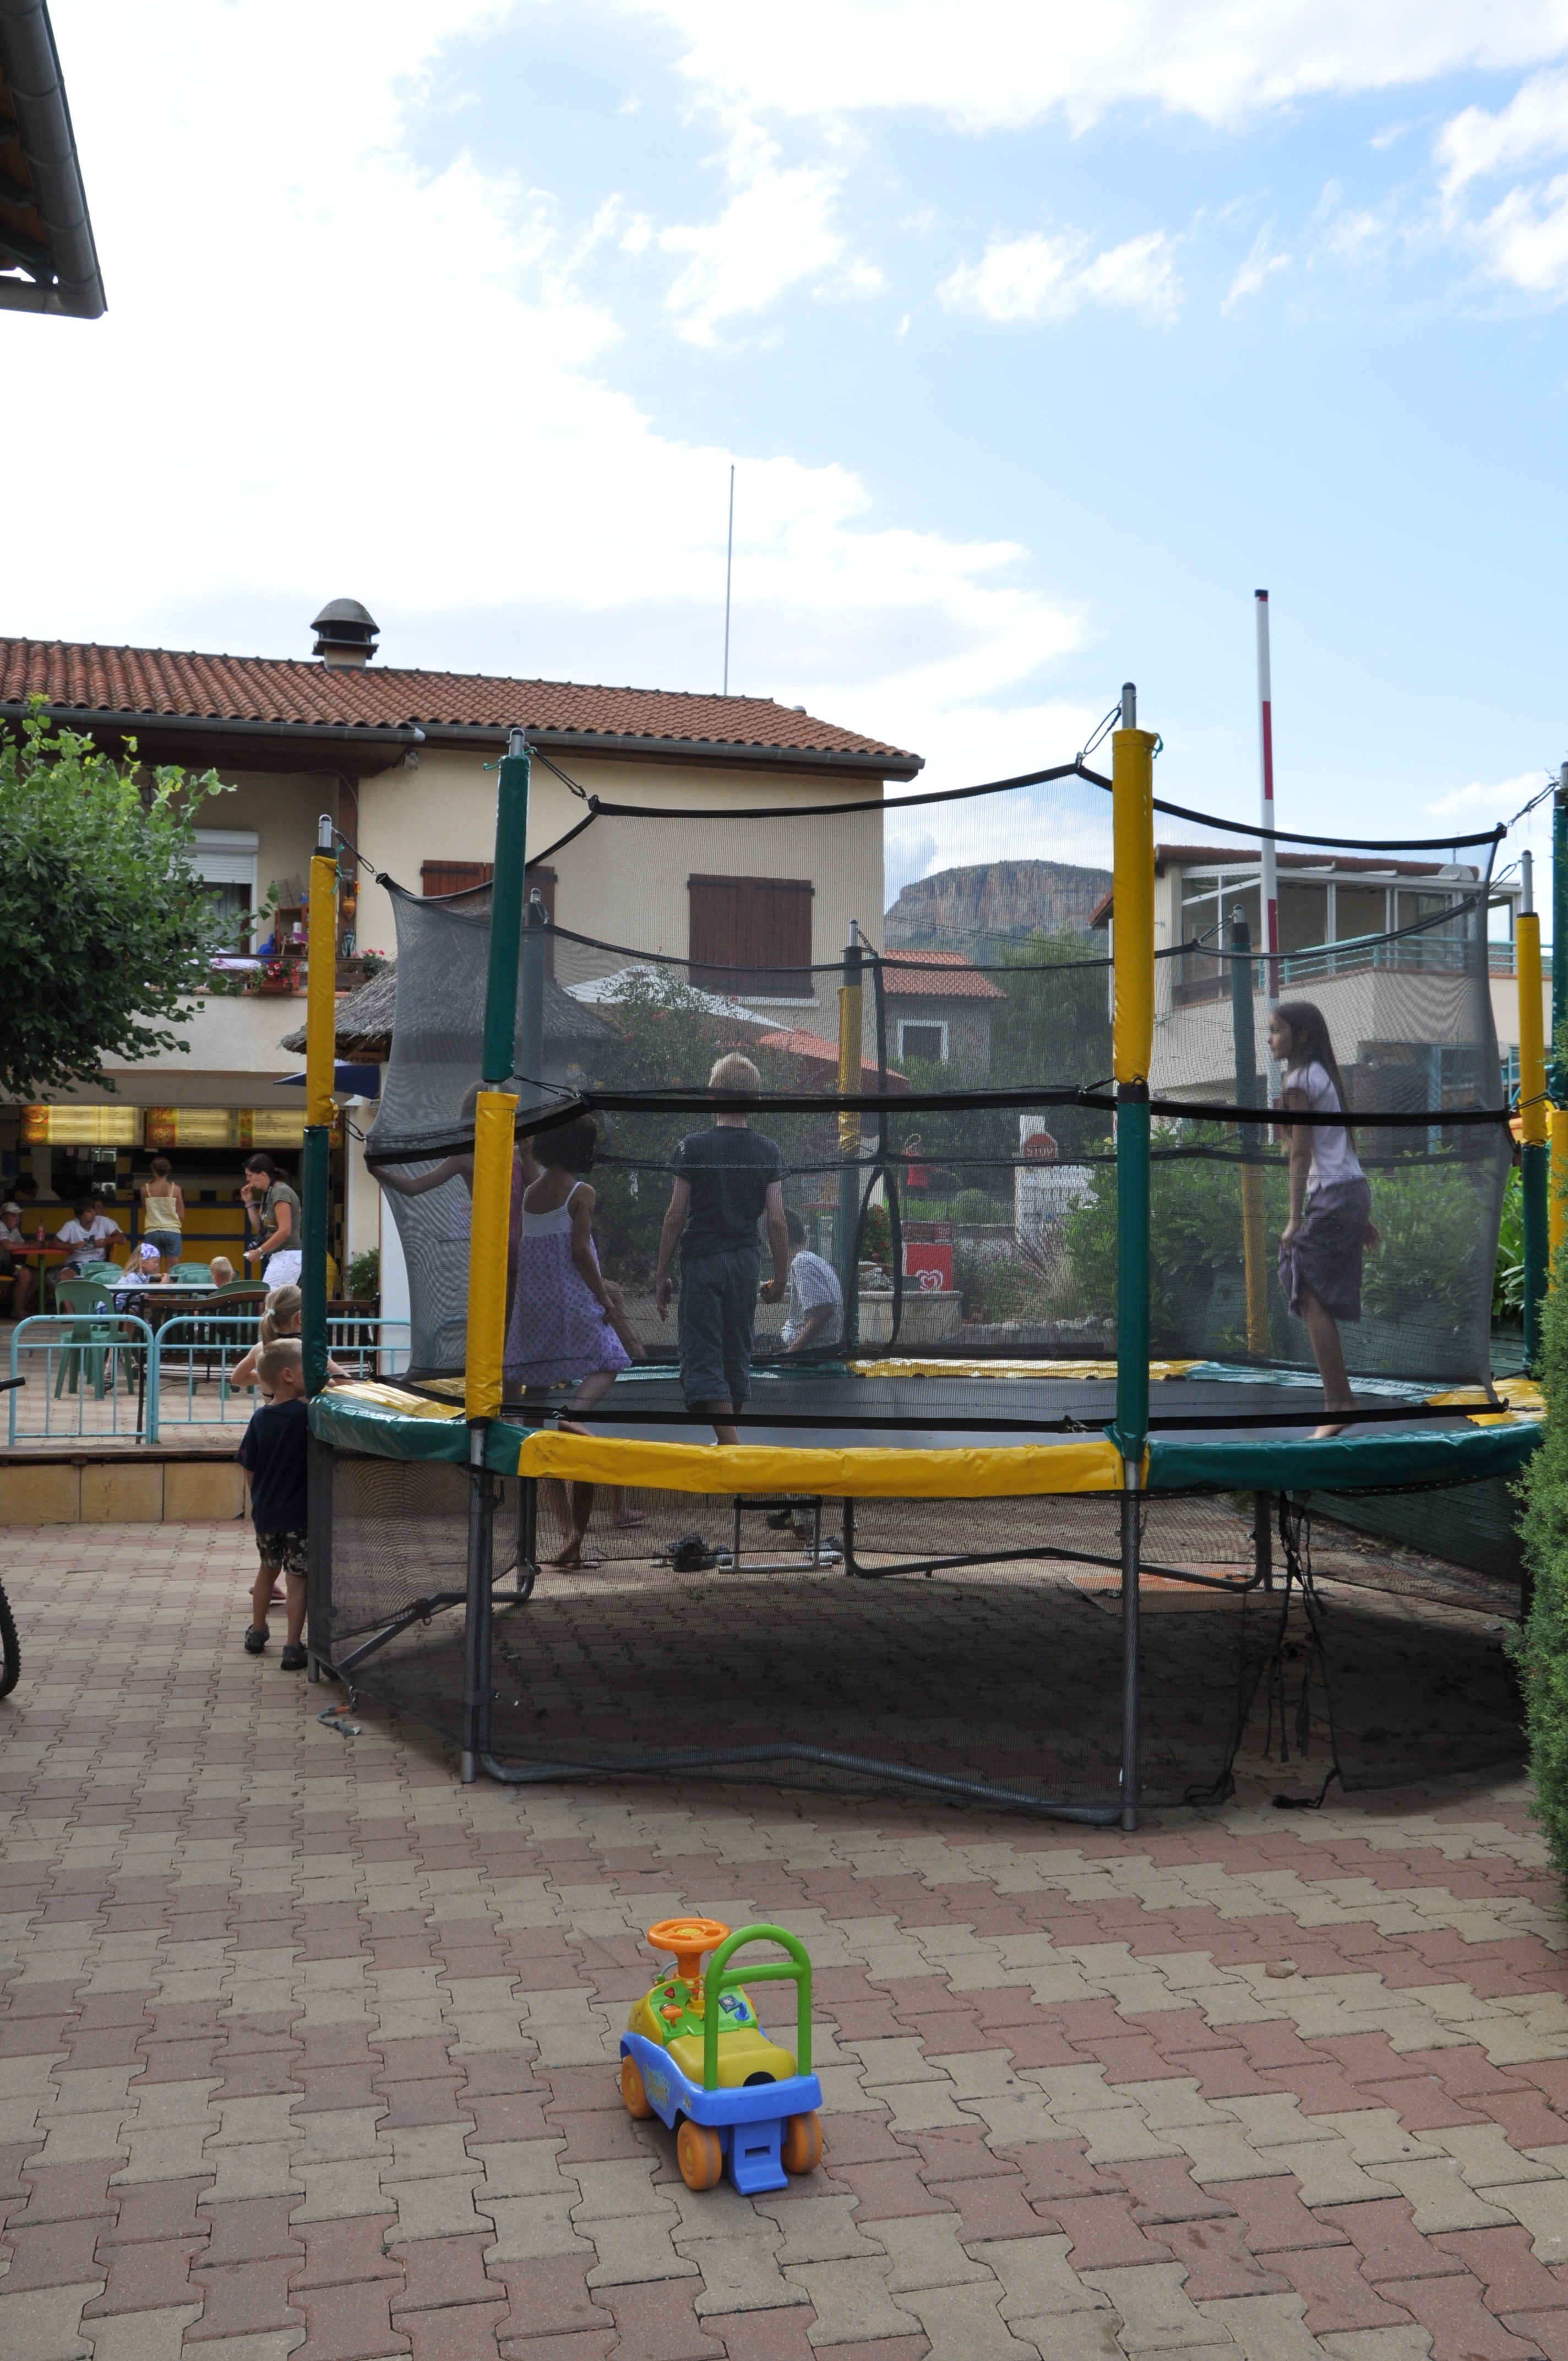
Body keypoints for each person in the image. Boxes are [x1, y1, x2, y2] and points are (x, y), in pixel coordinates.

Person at [507, 1115, 639, 1568]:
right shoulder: (581, 1193)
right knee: (609, 1358)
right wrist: (604, 1297)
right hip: (570, 1301)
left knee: (533, 1419)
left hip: (534, 1309)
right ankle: (574, 1417)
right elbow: (581, 1251)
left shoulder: (529, 1194)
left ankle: (568, 1532)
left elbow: (527, 1248)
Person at [656, 1053, 790, 1444]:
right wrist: (780, 1278)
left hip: (703, 1260)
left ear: (712, 1097)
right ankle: (730, 1440)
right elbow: (777, 1220)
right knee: (736, 1351)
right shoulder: (768, 1150)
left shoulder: (692, 1147)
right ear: (757, 1101)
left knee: (702, 1352)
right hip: (746, 1262)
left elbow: (674, 1216)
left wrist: (661, 1271)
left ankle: (732, 1446)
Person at [1269, 1000, 1379, 1439]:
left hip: (1336, 1196)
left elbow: (1303, 1151)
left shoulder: (1299, 1079)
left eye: (1276, 1030)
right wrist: (1360, 1217)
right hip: (1349, 1193)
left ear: (1300, 1035)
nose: (1270, 1039)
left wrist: (1295, 1218)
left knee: (1306, 1283)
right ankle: (1340, 1399)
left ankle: (1339, 1401)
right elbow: (1341, 1149)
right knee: (1301, 1278)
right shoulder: (1323, 1075)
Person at [236, 1337, 310, 1668]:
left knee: (268, 1569)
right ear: (288, 1375)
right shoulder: (307, 1417)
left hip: (266, 1512)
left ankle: (258, 1630)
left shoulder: (260, 1419)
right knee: (297, 1579)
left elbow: (248, 1466)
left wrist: (258, 1500)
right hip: (299, 1515)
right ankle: (293, 1646)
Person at [777, 1209, 844, 1355]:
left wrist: (791, 1353)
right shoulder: (814, 1260)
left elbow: (823, 1311)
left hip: (810, 1351)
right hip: (816, 1347)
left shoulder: (802, 1263)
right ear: (805, 1238)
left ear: (773, 1245)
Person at [241, 1153, 302, 1287]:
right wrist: (249, 1202)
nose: (248, 1180)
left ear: (263, 1174)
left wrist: (260, 1251)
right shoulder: (268, 1192)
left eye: (250, 1175)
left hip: (288, 1255)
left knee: (270, 1300)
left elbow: (285, 1231)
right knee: (273, 1301)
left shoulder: (280, 1192)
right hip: (279, 1256)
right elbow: (261, 1228)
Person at [52, 1195, 124, 1300]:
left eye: (93, 1210)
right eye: (89, 1212)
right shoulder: (71, 1226)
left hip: (98, 1263)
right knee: (64, 1278)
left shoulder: (103, 1221)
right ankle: (70, 1313)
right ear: (80, 1215)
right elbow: (54, 1244)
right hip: (76, 1262)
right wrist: (74, 1246)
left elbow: (121, 1237)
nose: (93, 1214)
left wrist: (106, 1241)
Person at [140, 1156, 185, 1276]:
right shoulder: (175, 1189)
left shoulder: (145, 1190)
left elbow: (146, 1211)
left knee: (153, 1268)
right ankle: (173, 1294)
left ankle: (154, 1294)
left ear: (153, 1170)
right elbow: (181, 1215)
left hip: (152, 1231)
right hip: (172, 1231)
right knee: (173, 1268)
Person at [0, 1201, 35, 1318]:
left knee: (36, 1275)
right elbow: (7, 1246)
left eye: (18, 1215)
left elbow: (22, 1244)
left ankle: (18, 1307)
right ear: (4, 1217)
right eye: (13, 1215)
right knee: (24, 1273)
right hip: (2, 1265)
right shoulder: (1, 1226)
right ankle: (17, 1309)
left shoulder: (14, 1230)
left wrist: (34, 1245)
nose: (17, 1219)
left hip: (6, 1264)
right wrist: (30, 1246)